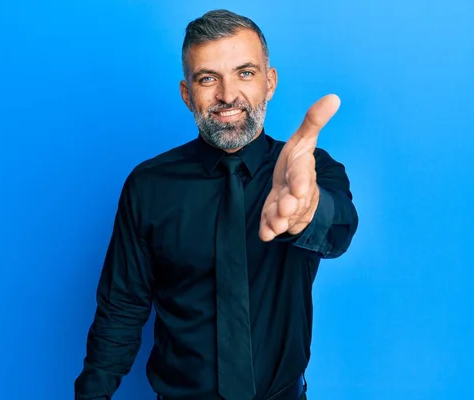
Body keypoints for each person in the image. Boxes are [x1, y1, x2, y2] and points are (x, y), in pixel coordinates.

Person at [74, 9, 358, 400]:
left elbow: (340, 229)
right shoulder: (149, 185)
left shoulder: (308, 171)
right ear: (187, 93)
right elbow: (122, 308)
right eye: (208, 78)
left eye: (245, 73)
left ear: (269, 82)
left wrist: (307, 213)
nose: (227, 95)